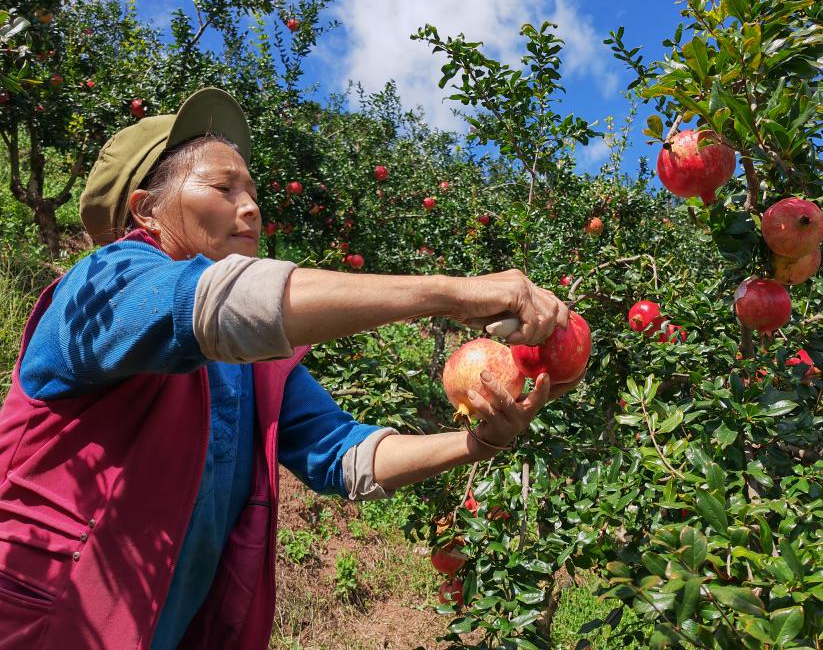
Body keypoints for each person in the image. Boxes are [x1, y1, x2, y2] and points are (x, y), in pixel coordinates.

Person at [0, 87, 582, 650]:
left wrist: (477, 442)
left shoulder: (255, 369)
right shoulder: (101, 288)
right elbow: (216, 304)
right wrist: (451, 292)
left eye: (251, 190)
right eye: (223, 187)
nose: (250, 206)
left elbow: (346, 459)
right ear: (147, 211)